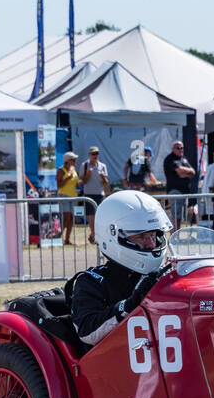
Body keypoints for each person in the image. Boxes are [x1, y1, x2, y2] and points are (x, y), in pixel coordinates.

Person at [66, 190, 172, 350]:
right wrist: (129, 305)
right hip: (113, 365)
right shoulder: (90, 282)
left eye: (153, 235)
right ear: (113, 236)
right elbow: (87, 332)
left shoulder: (161, 275)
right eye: (141, 237)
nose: (151, 244)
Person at [162, 140, 197, 227]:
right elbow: (180, 171)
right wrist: (187, 173)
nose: (180, 149)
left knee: (181, 216)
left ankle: (177, 236)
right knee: (176, 216)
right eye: (178, 148)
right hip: (175, 191)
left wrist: (186, 172)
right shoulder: (170, 159)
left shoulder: (183, 158)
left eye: (182, 148)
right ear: (173, 149)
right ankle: (174, 236)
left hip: (184, 191)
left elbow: (193, 172)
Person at [79, 146, 110, 243]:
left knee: (99, 216)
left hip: (100, 194)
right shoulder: (84, 165)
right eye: (93, 154)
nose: (95, 155)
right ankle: (93, 234)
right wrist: (87, 175)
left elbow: (106, 183)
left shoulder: (103, 166)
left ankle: (95, 235)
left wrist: (103, 178)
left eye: (96, 153)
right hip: (89, 194)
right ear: (89, 155)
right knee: (91, 216)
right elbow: (81, 182)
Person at [57, 150, 79, 245]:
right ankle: (58, 237)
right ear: (67, 160)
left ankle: (67, 239)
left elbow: (76, 183)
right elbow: (59, 185)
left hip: (73, 196)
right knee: (66, 218)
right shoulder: (61, 170)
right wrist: (67, 179)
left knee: (71, 219)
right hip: (64, 196)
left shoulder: (73, 169)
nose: (75, 161)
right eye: (73, 160)